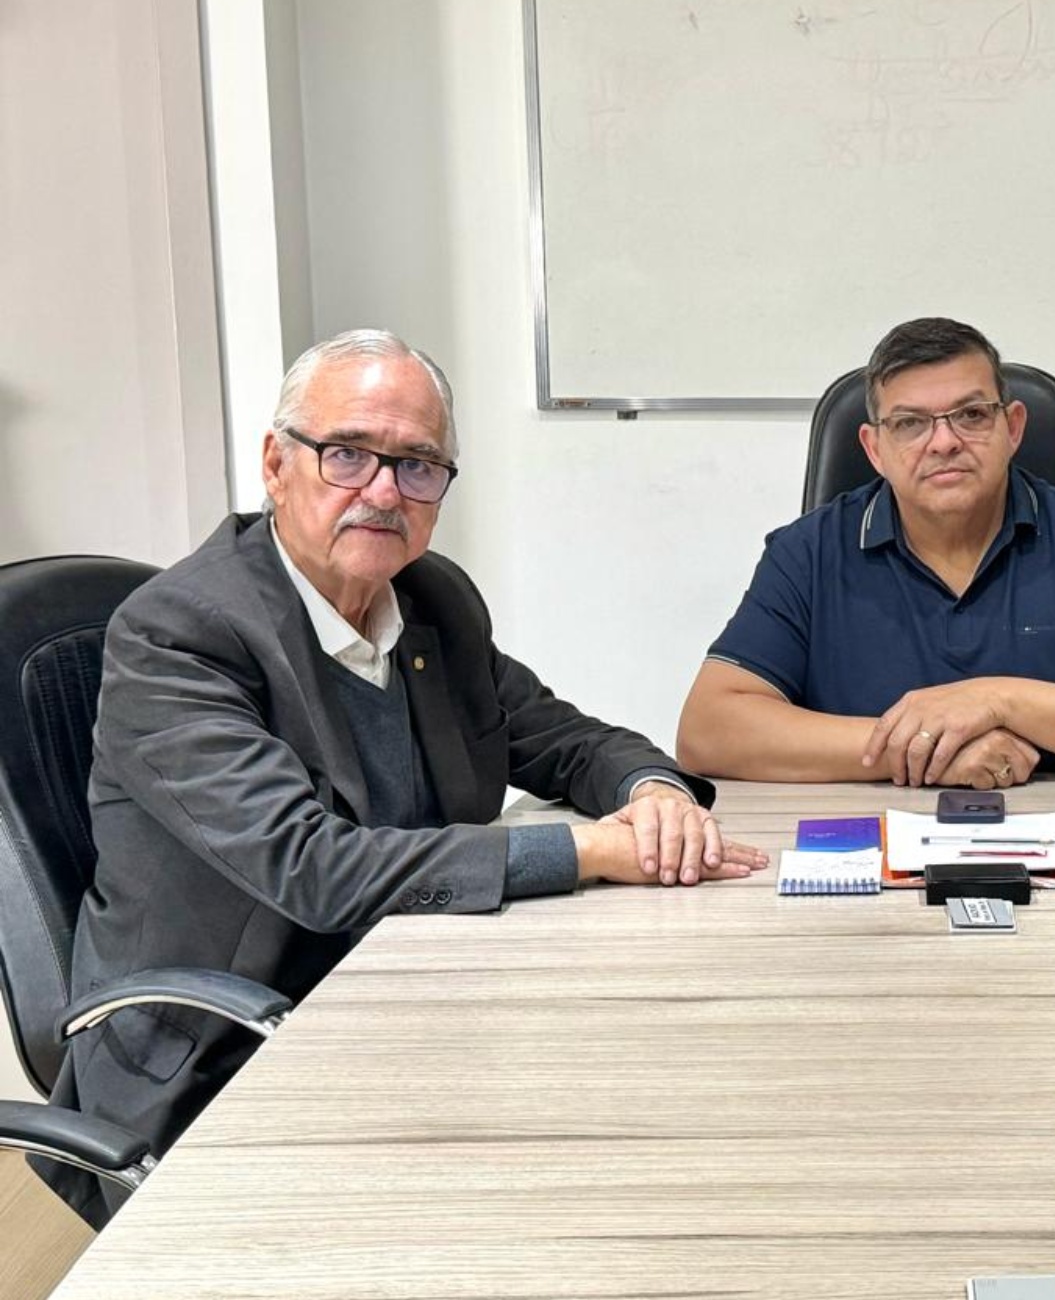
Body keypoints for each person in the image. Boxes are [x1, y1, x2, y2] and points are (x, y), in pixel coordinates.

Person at [39, 330, 766, 1226]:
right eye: (347, 454)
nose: (384, 492)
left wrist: (653, 792)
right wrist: (589, 852)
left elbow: (565, 739)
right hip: (227, 1048)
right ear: (276, 464)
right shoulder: (181, 633)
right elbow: (313, 868)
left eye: (418, 465)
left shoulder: (430, 600)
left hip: (411, 988)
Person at [677, 317, 1055, 787]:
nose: (944, 442)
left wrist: (997, 700)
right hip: (864, 844)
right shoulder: (807, 553)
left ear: (1013, 427)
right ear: (875, 448)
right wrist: (927, 750)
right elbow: (709, 731)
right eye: (910, 423)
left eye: (971, 415)